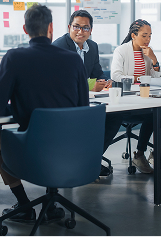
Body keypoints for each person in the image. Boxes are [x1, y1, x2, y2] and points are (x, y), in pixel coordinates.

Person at [0, 4, 89, 223]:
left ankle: (24, 205)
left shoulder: (14, 58)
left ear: (25, 29)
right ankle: (51, 202)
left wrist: (18, 108)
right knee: (54, 135)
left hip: (33, 152)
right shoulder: (73, 60)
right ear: (51, 27)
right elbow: (83, 109)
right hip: (72, 152)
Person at [52, 9, 123, 176]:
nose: (80, 31)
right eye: (76, 27)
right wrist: (90, 85)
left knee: (115, 116)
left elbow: (97, 71)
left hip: (87, 100)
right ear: (69, 27)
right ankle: (83, 161)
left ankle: (90, 159)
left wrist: (105, 81)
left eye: (85, 28)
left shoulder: (93, 46)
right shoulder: (59, 47)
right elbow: (61, 81)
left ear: (90, 30)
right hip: (64, 103)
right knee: (91, 120)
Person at [111, 19, 161, 174]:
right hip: (128, 102)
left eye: (150, 36)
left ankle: (157, 153)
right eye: (144, 35)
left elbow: (156, 77)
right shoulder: (121, 51)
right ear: (133, 35)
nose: (148, 39)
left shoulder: (148, 51)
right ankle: (139, 154)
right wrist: (138, 80)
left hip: (146, 97)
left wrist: (154, 59)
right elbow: (115, 75)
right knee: (152, 113)